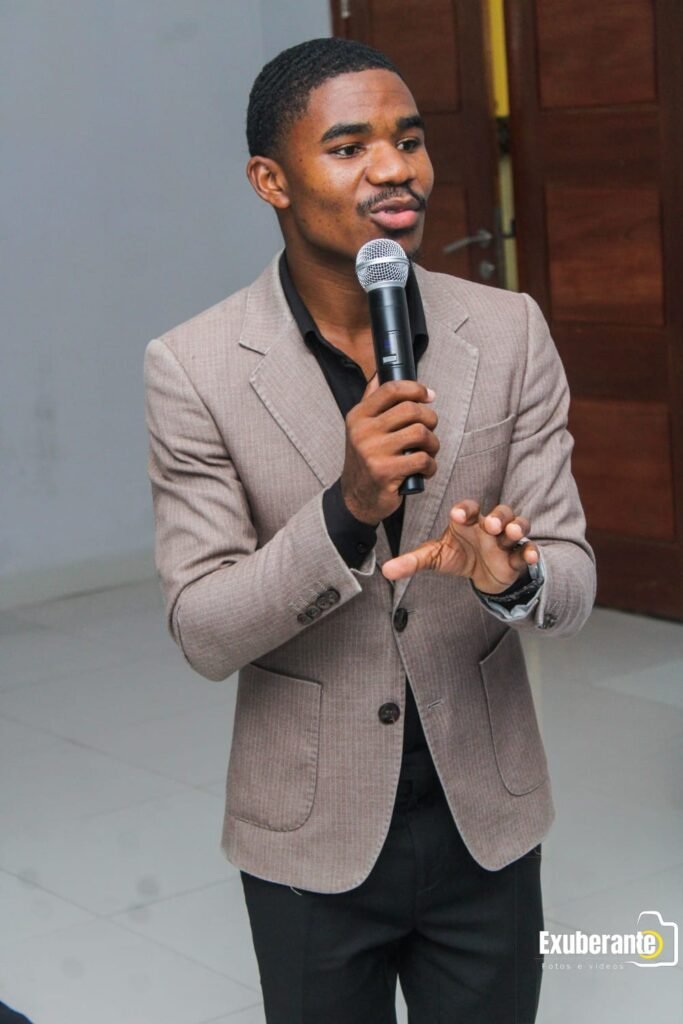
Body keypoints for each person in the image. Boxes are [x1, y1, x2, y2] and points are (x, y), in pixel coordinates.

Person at [144, 37, 596, 1024]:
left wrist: (514, 579)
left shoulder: (508, 330)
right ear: (270, 180)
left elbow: (569, 576)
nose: (395, 169)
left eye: (408, 140)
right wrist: (344, 510)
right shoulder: (193, 367)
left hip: (485, 815)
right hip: (310, 831)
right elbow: (204, 630)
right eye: (349, 147)